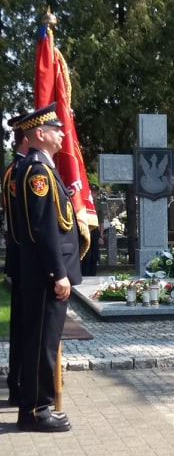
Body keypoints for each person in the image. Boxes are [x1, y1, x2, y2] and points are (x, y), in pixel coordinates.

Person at [14, 103, 82, 432]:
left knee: (41, 341)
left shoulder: (39, 167)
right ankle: (36, 411)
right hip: (46, 275)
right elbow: (42, 228)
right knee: (42, 343)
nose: (62, 134)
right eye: (57, 130)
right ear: (40, 134)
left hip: (43, 273)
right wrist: (58, 274)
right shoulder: (38, 171)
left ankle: (33, 407)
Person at [1, 113, 29, 406]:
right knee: (22, 326)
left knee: (25, 325)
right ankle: (18, 383)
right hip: (22, 260)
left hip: (22, 259)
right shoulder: (17, 171)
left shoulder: (21, 169)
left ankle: (20, 381)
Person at [81, 184, 104, 276]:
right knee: (86, 255)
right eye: (91, 191)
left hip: (94, 231)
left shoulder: (98, 205)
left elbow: (101, 222)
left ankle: (92, 274)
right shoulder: (84, 203)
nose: (93, 194)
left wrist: (101, 236)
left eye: (94, 192)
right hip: (86, 230)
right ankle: (85, 274)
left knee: (94, 255)